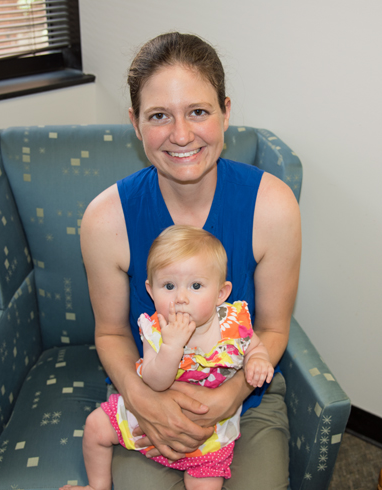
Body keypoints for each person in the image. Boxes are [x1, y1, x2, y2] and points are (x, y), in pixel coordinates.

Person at [80, 32, 301, 490]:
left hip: (246, 394)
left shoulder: (273, 206)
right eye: (159, 116)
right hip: (149, 387)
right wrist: (141, 397)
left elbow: (275, 329)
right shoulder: (105, 219)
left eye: (198, 111)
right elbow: (111, 331)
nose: (181, 135)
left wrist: (230, 395)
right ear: (135, 123)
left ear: (225, 112)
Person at [60, 225, 275, 490]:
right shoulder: (156, 330)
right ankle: (97, 486)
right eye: (169, 286)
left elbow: (255, 346)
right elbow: (154, 380)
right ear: (151, 290)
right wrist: (171, 346)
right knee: (95, 427)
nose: (181, 298)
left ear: (221, 293)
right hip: (151, 408)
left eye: (196, 286)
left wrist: (257, 360)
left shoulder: (233, 323)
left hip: (209, 425)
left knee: (206, 482)